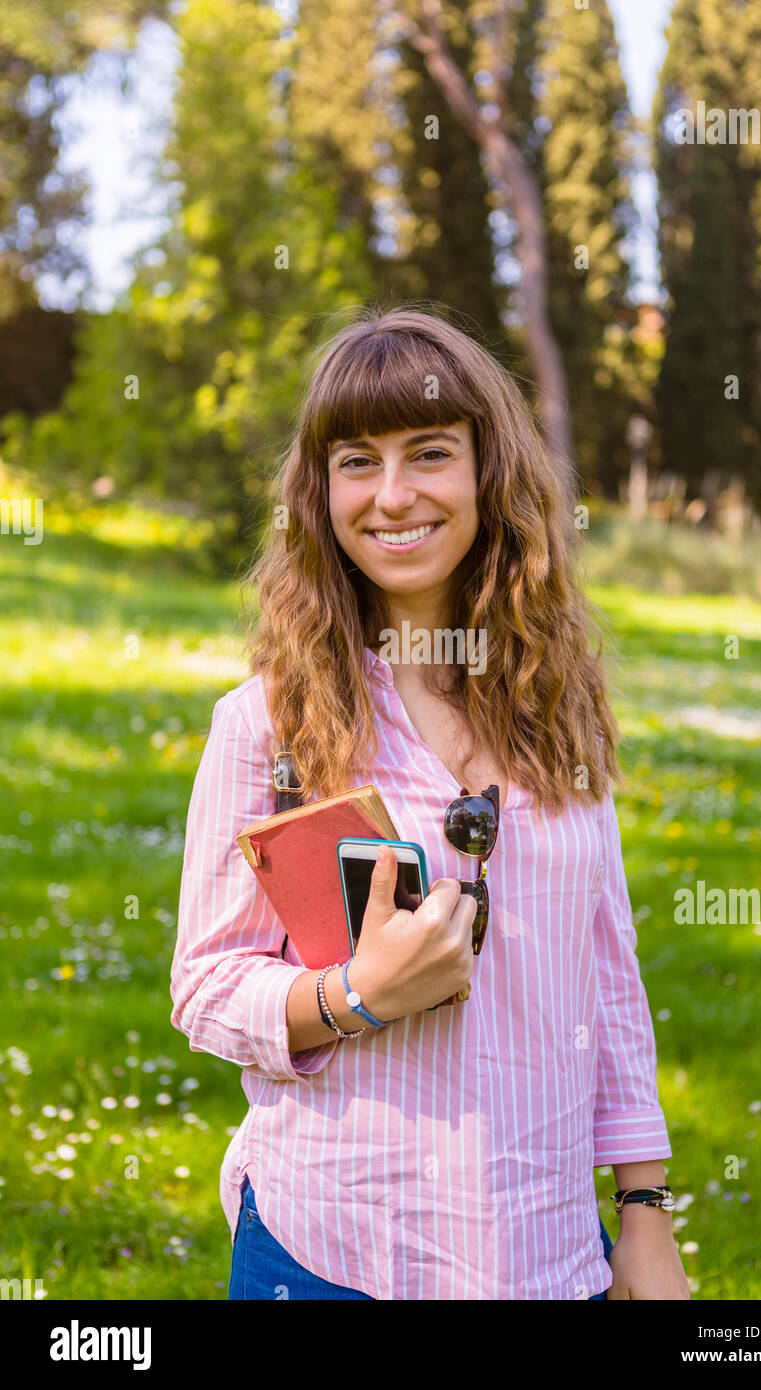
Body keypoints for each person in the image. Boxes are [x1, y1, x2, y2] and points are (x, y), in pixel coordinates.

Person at [170, 304, 690, 1301]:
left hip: (545, 1253)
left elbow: (607, 974)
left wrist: (643, 1210)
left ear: (489, 473)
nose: (392, 494)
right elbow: (203, 985)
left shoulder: (558, 709)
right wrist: (354, 995)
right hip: (335, 1248)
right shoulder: (267, 725)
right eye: (356, 460)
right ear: (318, 491)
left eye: (428, 453)